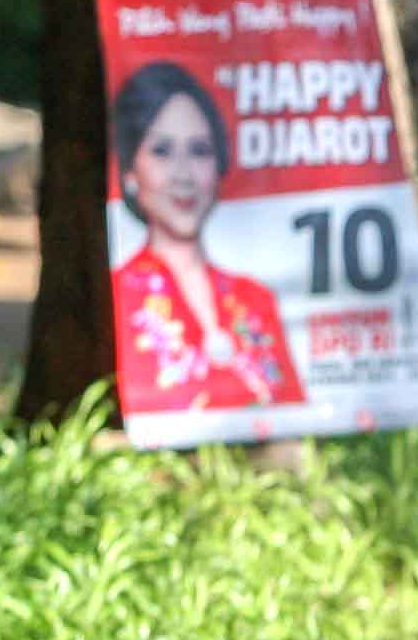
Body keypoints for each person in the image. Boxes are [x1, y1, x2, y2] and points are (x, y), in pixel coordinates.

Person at [105, 61, 305, 414]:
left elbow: (294, 416)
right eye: (162, 151)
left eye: (199, 151)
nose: (184, 174)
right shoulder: (116, 296)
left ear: (218, 168)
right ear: (130, 171)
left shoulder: (256, 299)